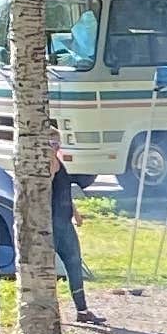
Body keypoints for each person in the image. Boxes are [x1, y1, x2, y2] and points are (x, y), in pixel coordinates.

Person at [49, 135, 97, 321]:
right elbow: (47, 187)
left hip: (65, 221)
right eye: (51, 143)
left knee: (74, 262)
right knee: (51, 267)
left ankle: (82, 311)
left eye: (57, 144)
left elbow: (63, 190)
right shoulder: (47, 164)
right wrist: (51, 162)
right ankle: (49, 311)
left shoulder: (58, 162)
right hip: (53, 223)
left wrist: (75, 213)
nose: (55, 147)